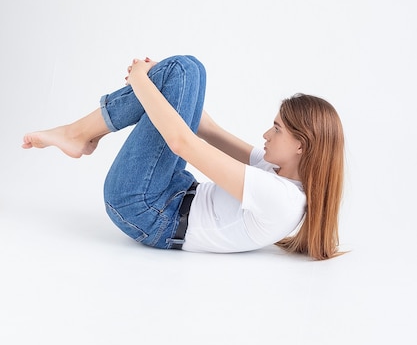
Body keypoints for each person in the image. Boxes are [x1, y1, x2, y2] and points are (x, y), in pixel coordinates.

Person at [22, 55, 345, 259]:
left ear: (301, 145)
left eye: (277, 129)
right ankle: (76, 134)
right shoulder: (277, 170)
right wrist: (164, 85)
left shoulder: (280, 197)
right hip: (171, 192)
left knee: (183, 69)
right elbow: (207, 129)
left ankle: (77, 134)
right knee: (186, 72)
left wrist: (139, 79)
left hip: (144, 209)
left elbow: (181, 143)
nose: (265, 135)